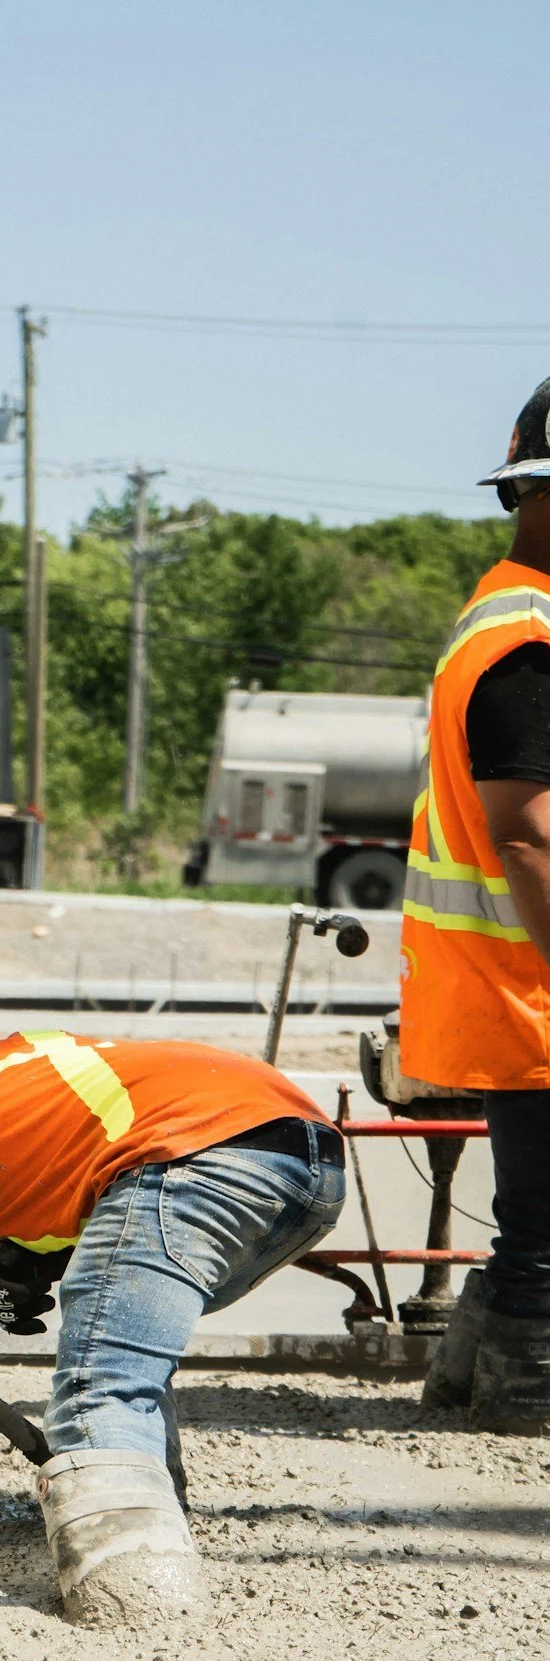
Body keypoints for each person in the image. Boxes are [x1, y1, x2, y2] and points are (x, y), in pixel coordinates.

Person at [0, 950, 345, 1627]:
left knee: (99, 1390)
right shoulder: (32, 1056)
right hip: (305, 1160)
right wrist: (30, 1252)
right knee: (129, 1359)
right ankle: (155, 1517)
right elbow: (90, 1152)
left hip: (194, 1161)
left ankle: (137, 1604)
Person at [402, 376, 550, 1432]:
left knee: (530, 1223)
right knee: (545, 1236)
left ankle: (465, 1377)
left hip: (503, 980)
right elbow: (527, 829)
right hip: (530, 981)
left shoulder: (502, 614)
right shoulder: (527, 641)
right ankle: (526, 1395)